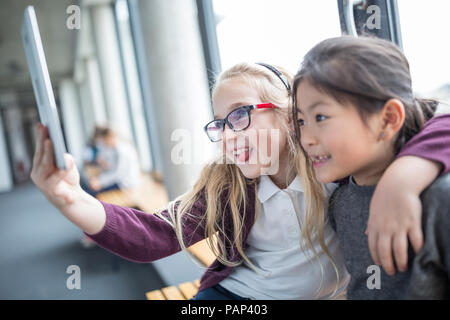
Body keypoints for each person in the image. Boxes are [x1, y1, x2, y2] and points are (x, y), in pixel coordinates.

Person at [31, 62, 448, 300]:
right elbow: (152, 236)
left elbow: (435, 115)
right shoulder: (228, 187)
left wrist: (405, 178)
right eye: (220, 123)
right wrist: (70, 200)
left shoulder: (329, 162)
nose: (228, 135)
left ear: (288, 113)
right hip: (236, 300)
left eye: (240, 115)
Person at [293, 35, 450, 299]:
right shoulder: (340, 201)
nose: (306, 138)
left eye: (321, 117)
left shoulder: (440, 201)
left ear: (388, 119)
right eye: (300, 120)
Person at [81, 127, 141, 197]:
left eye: (105, 140)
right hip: (118, 181)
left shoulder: (122, 151)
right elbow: (112, 169)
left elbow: (118, 174)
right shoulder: (115, 148)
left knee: (89, 192)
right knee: (87, 187)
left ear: (111, 137)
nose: (105, 143)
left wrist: (100, 181)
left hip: (124, 184)